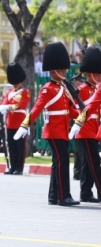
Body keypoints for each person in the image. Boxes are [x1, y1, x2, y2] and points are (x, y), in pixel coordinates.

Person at [14, 42, 80, 206]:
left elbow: (70, 110)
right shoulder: (47, 89)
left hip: (62, 130)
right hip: (54, 131)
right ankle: (64, 196)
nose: (64, 72)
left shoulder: (63, 88)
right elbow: (36, 108)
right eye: (61, 70)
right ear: (53, 70)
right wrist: (24, 125)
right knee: (62, 161)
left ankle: (54, 195)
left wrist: (83, 117)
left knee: (57, 162)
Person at [69, 46, 101, 203]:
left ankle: (86, 192)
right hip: (84, 129)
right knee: (94, 162)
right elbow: (75, 109)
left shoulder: (96, 89)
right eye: (95, 73)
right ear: (89, 74)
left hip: (93, 128)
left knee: (87, 164)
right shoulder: (81, 90)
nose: (98, 76)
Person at [0, 62, 31, 175]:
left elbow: (21, 105)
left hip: (20, 123)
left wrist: (7, 107)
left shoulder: (26, 92)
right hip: (10, 122)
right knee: (11, 146)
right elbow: (4, 104)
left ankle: (19, 168)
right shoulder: (9, 92)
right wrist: (3, 108)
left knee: (20, 146)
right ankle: (12, 166)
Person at [70, 73, 86, 180]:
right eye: (79, 81)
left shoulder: (81, 91)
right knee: (80, 149)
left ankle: (77, 172)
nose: (81, 82)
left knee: (79, 149)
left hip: (84, 120)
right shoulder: (76, 92)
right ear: (75, 81)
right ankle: (80, 172)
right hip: (77, 121)